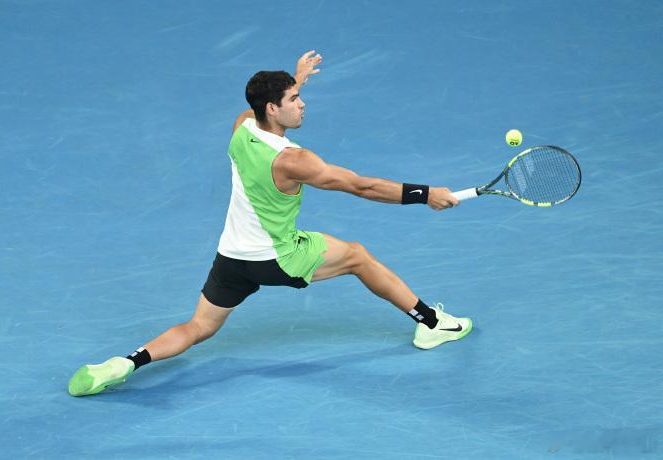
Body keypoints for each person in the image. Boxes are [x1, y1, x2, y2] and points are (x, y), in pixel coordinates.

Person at [68, 51, 472, 397]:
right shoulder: (294, 160)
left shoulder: (241, 127)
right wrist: (426, 194)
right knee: (358, 257)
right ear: (273, 109)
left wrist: (296, 79)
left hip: (231, 258)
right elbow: (361, 186)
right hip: (278, 257)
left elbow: (258, 110)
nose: (303, 104)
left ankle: (126, 362)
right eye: (294, 99)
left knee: (199, 326)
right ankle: (432, 323)